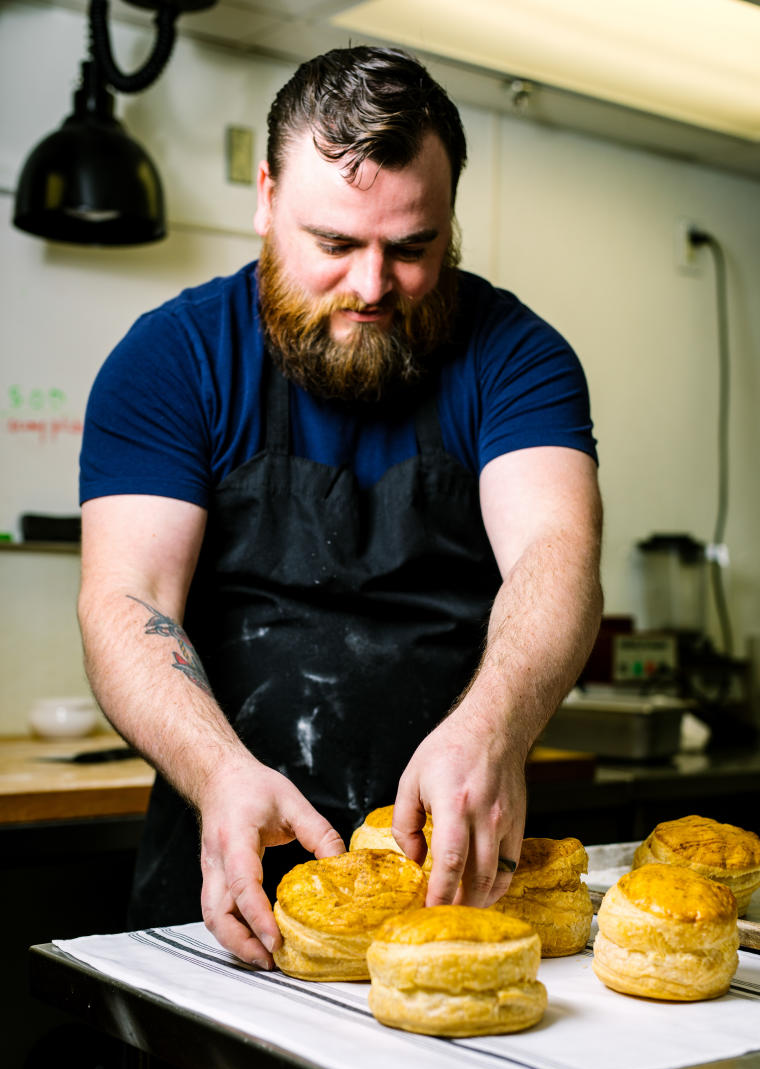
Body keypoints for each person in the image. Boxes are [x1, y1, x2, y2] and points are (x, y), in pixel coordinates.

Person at [78, 45, 603, 970]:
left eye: (413, 248)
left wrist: (494, 731)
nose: (372, 287)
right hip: (226, 867)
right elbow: (126, 597)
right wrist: (218, 774)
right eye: (335, 245)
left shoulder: (519, 356)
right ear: (267, 197)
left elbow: (556, 556)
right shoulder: (171, 360)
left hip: (456, 878)